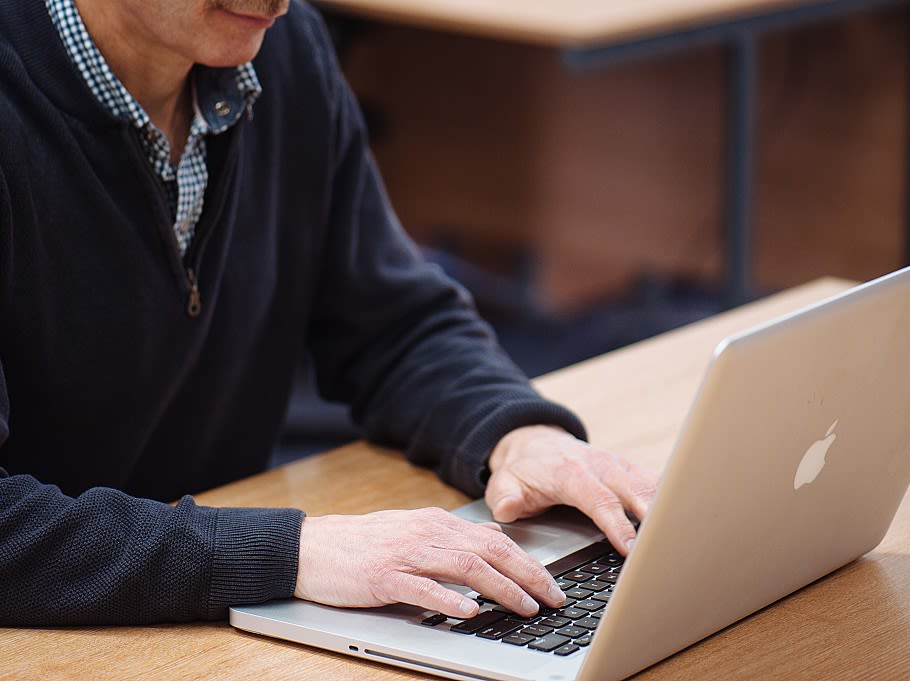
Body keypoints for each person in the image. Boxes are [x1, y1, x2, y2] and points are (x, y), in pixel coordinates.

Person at [0, 0, 658, 626]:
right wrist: (289, 553)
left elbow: (394, 325)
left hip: (204, 616)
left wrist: (515, 436)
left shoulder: (284, 54)